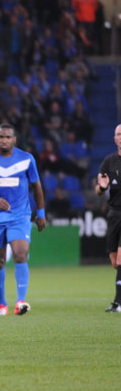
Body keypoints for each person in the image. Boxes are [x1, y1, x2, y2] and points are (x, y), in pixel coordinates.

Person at [0, 123, 46, 316]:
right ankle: (2, 304)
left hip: (20, 215)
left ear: (14, 139)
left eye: (8, 137)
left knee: (20, 254)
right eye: (1, 137)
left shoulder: (26, 159)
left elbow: (37, 187)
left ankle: (20, 302)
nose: (4, 140)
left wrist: (40, 214)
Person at [95, 124, 121, 313]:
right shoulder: (109, 161)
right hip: (114, 213)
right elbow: (98, 190)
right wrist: (102, 187)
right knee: (114, 260)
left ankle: (118, 303)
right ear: (114, 138)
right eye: (119, 134)